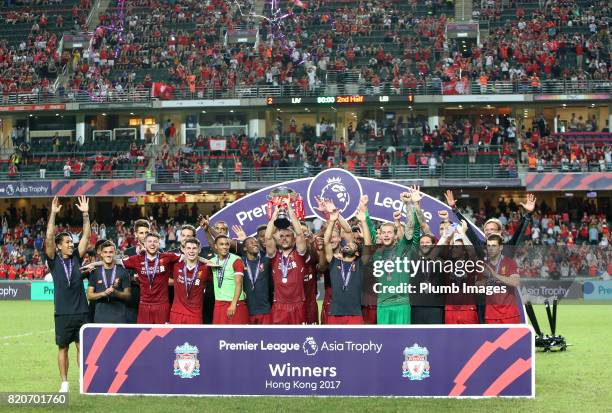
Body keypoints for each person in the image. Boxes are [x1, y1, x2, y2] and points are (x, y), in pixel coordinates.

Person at [45, 196, 90, 393]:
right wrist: (53, 214)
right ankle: (64, 383)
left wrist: (86, 215)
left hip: (81, 310)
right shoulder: (54, 261)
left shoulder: (77, 259)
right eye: (68, 242)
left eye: (72, 242)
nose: (71, 244)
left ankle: (83, 379)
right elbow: (48, 238)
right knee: (63, 348)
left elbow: (87, 238)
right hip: (62, 312)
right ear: (59, 245)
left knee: (82, 346)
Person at [323, 202, 372, 324]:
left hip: (355, 314)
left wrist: (364, 222)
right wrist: (332, 220)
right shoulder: (334, 262)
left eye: (352, 245)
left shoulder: (361, 264)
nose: (348, 244)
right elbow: (326, 242)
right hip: (334, 313)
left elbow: (367, 244)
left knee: (356, 343)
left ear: (356, 253)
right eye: (347, 244)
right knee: (333, 343)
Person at [265, 199, 311, 324]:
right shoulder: (274, 256)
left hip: (298, 304)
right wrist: (274, 216)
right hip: (279, 305)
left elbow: (300, 234)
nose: (284, 239)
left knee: (298, 340)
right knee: (279, 340)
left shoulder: (299, 254)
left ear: (293, 239)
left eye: (288, 236)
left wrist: (290, 210)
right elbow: (268, 237)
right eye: (281, 236)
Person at [121, 233, 181, 323]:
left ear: (159, 244)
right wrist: (94, 264)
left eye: (155, 241)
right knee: (144, 335)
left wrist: (205, 260)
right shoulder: (136, 259)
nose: (152, 244)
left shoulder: (167, 257)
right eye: (149, 241)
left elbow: (187, 257)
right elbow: (116, 261)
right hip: (144, 305)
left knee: (163, 335)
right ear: (144, 244)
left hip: (162, 305)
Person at [87, 240, 131, 323]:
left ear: (115, 253)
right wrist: (103, 293)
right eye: (105, 252)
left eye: (111, 252)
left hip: (119, 318)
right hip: (100, 318)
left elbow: (128, 296)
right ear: (101, 254)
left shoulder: (123, 271)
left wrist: (115, 292)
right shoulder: (95, 272)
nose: (108, 254)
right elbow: (89, 295)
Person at [209, 235, 249, 324]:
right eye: (221, 244)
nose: (224, 247)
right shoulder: (212, 261)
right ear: (216, 246)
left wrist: (233, 304)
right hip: (219, 303)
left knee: (238, 335)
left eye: (227, 244)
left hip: (235, 303)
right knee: (219, 335)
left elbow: (239, 283)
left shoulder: (236, 260)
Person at [169, 237, 209, 324]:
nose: (191, 251)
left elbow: (218, 266)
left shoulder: (205, 268)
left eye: (194, 248)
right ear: (183, 249)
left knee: (194, 338)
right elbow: (161, 257)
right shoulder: (176, 265)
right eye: (188, 248)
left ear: (199, 250)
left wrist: (204, 260)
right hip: (177, 313)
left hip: (195, 315)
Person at [484, 234, 521, 324]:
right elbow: (476, 286)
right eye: (488, 246)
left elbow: (515, 282)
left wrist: (495, 275)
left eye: (494, 246)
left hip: (509, 314)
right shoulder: (483, 264)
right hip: (491, 315)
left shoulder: (509, 262)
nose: (490, 248)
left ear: (500, 247)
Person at [123, 219, 150, 323]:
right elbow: (124, 274)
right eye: (141, 233)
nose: (144, 235)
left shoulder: (159, 252)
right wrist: (133, 278)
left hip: (151, 299)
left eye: (146, 232)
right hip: (133, 299)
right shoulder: (128, 252)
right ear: (136, 234)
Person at [242, 236, 273, 324]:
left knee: (266, 337)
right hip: (247, 310)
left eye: (256, 242)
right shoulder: (240, 262)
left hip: (265, 310)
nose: (255, 243)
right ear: (245, 248)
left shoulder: (266, 261)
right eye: (251, 242)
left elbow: (274, 248)